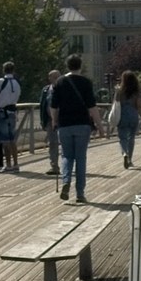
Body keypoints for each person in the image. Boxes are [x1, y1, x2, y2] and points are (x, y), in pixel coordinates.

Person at [51, 54, 98, 201]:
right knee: (80, 158)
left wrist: (54, 121)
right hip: (82, 124)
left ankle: (66, 182)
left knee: (66, 156)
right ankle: (80, 193)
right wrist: (100, 126)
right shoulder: (86, 82)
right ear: (80, 66)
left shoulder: (59, 82)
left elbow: (53, 106)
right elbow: (92, 107)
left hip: (64, 124)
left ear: (67, 65)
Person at [0, 60, 22, 171]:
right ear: (13, 70)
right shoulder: (17, 82)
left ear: (3, 70)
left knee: (5, 140)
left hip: (1, 112)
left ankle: (8, 165)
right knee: (12, 138)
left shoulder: (0, 81)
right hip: (12, 111)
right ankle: (16, 163)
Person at [111, 68, 141, 167]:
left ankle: (124, 153)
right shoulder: (136, 92)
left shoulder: (119, 91)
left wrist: (116, 91)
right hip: (133, 115)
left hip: (122, 116)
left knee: (122, 138)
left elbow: (115, 103)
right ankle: (130, 159)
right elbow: (139, 106)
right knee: (131, 138)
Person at [38, 67, 61, 183]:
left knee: (64, 143)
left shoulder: (64, 89)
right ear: (50, 78)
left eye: (58, 77)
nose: (56, 79)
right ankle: (54, 166)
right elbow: (42, 105)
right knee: (53, 143)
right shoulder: (46, 90)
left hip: (63, 120)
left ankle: (68, 164)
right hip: (49, 120)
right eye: (54, 77)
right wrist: (43, 120)